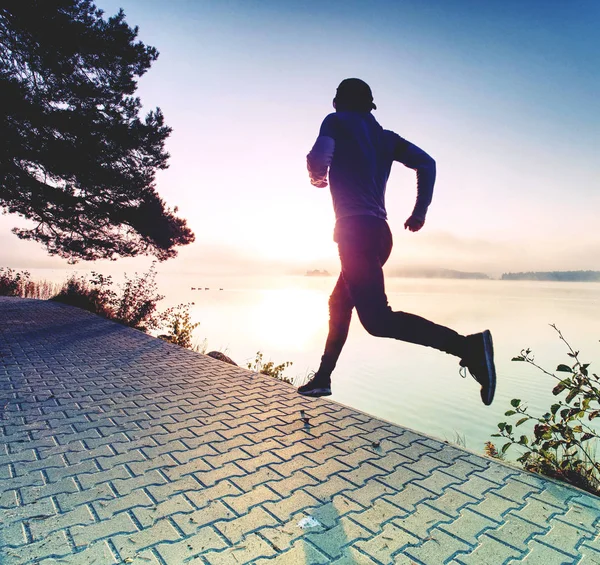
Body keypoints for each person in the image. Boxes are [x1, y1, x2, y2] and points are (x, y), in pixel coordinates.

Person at [298, 78, 496, 405]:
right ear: (369, 105)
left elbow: (319, 158)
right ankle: (323, 378)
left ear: (338, 101)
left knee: (377, 320)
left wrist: (318, 179)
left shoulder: (335, 120)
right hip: (380, 234)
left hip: (355, 232)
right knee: (339, 302)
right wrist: (420, 211)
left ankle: (469, 347)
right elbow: (427, 164)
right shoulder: (386, 138)